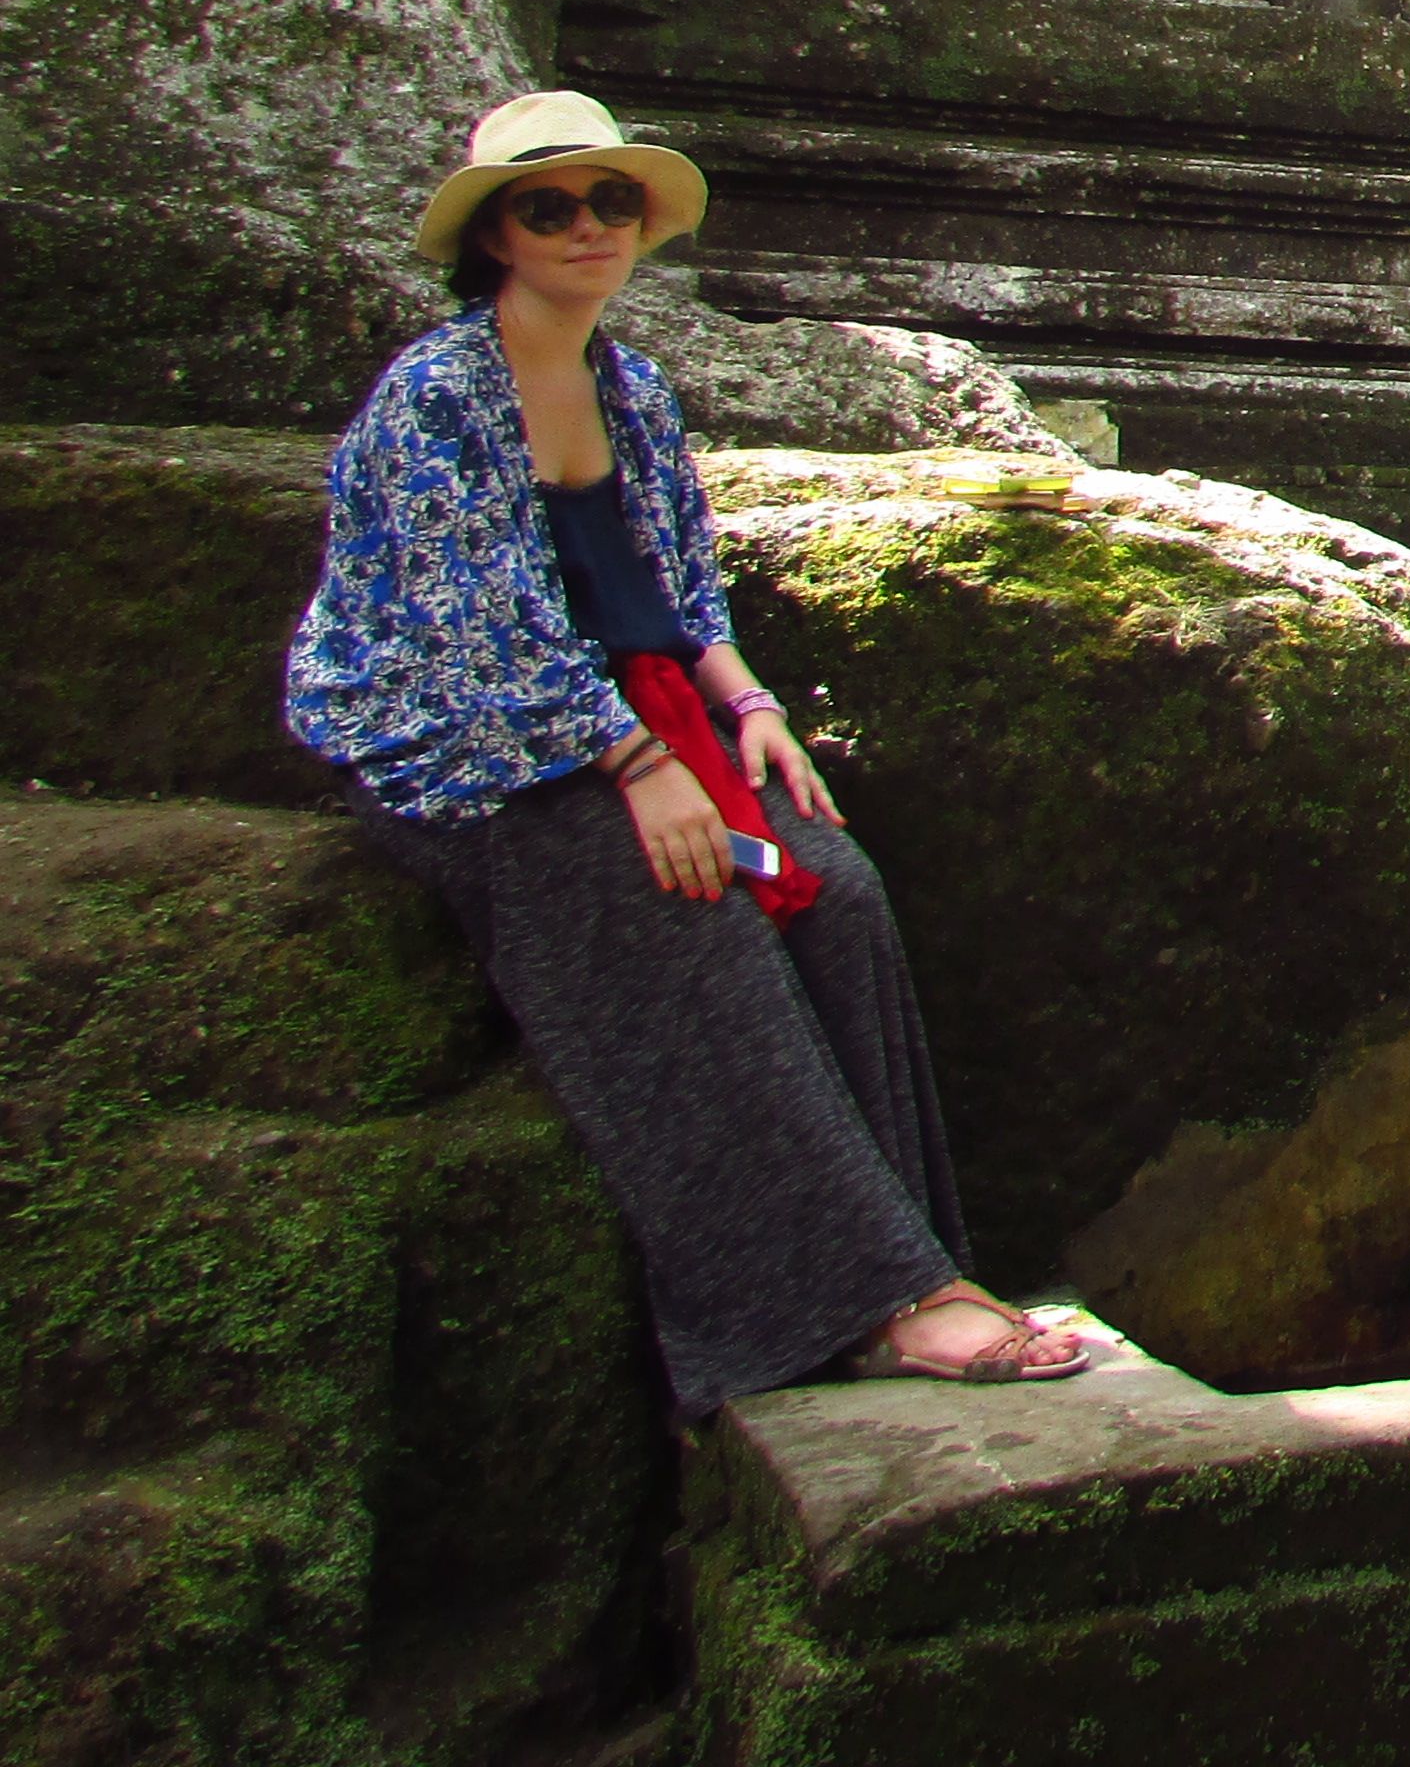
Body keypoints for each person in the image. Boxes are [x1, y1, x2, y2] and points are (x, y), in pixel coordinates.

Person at [282, 90, 1091, 1410]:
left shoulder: (629, 385)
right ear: (496, 237)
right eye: (550, 208)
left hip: (633, 711)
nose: (587, 228)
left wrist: (747, 704)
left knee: (834, 887)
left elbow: (674, 577)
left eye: (609, 203)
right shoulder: (437, 395)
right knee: (695, 901)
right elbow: (475, 627)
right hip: (471, 754)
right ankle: (868, 1307)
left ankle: (921, 1264)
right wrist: (637, 769)